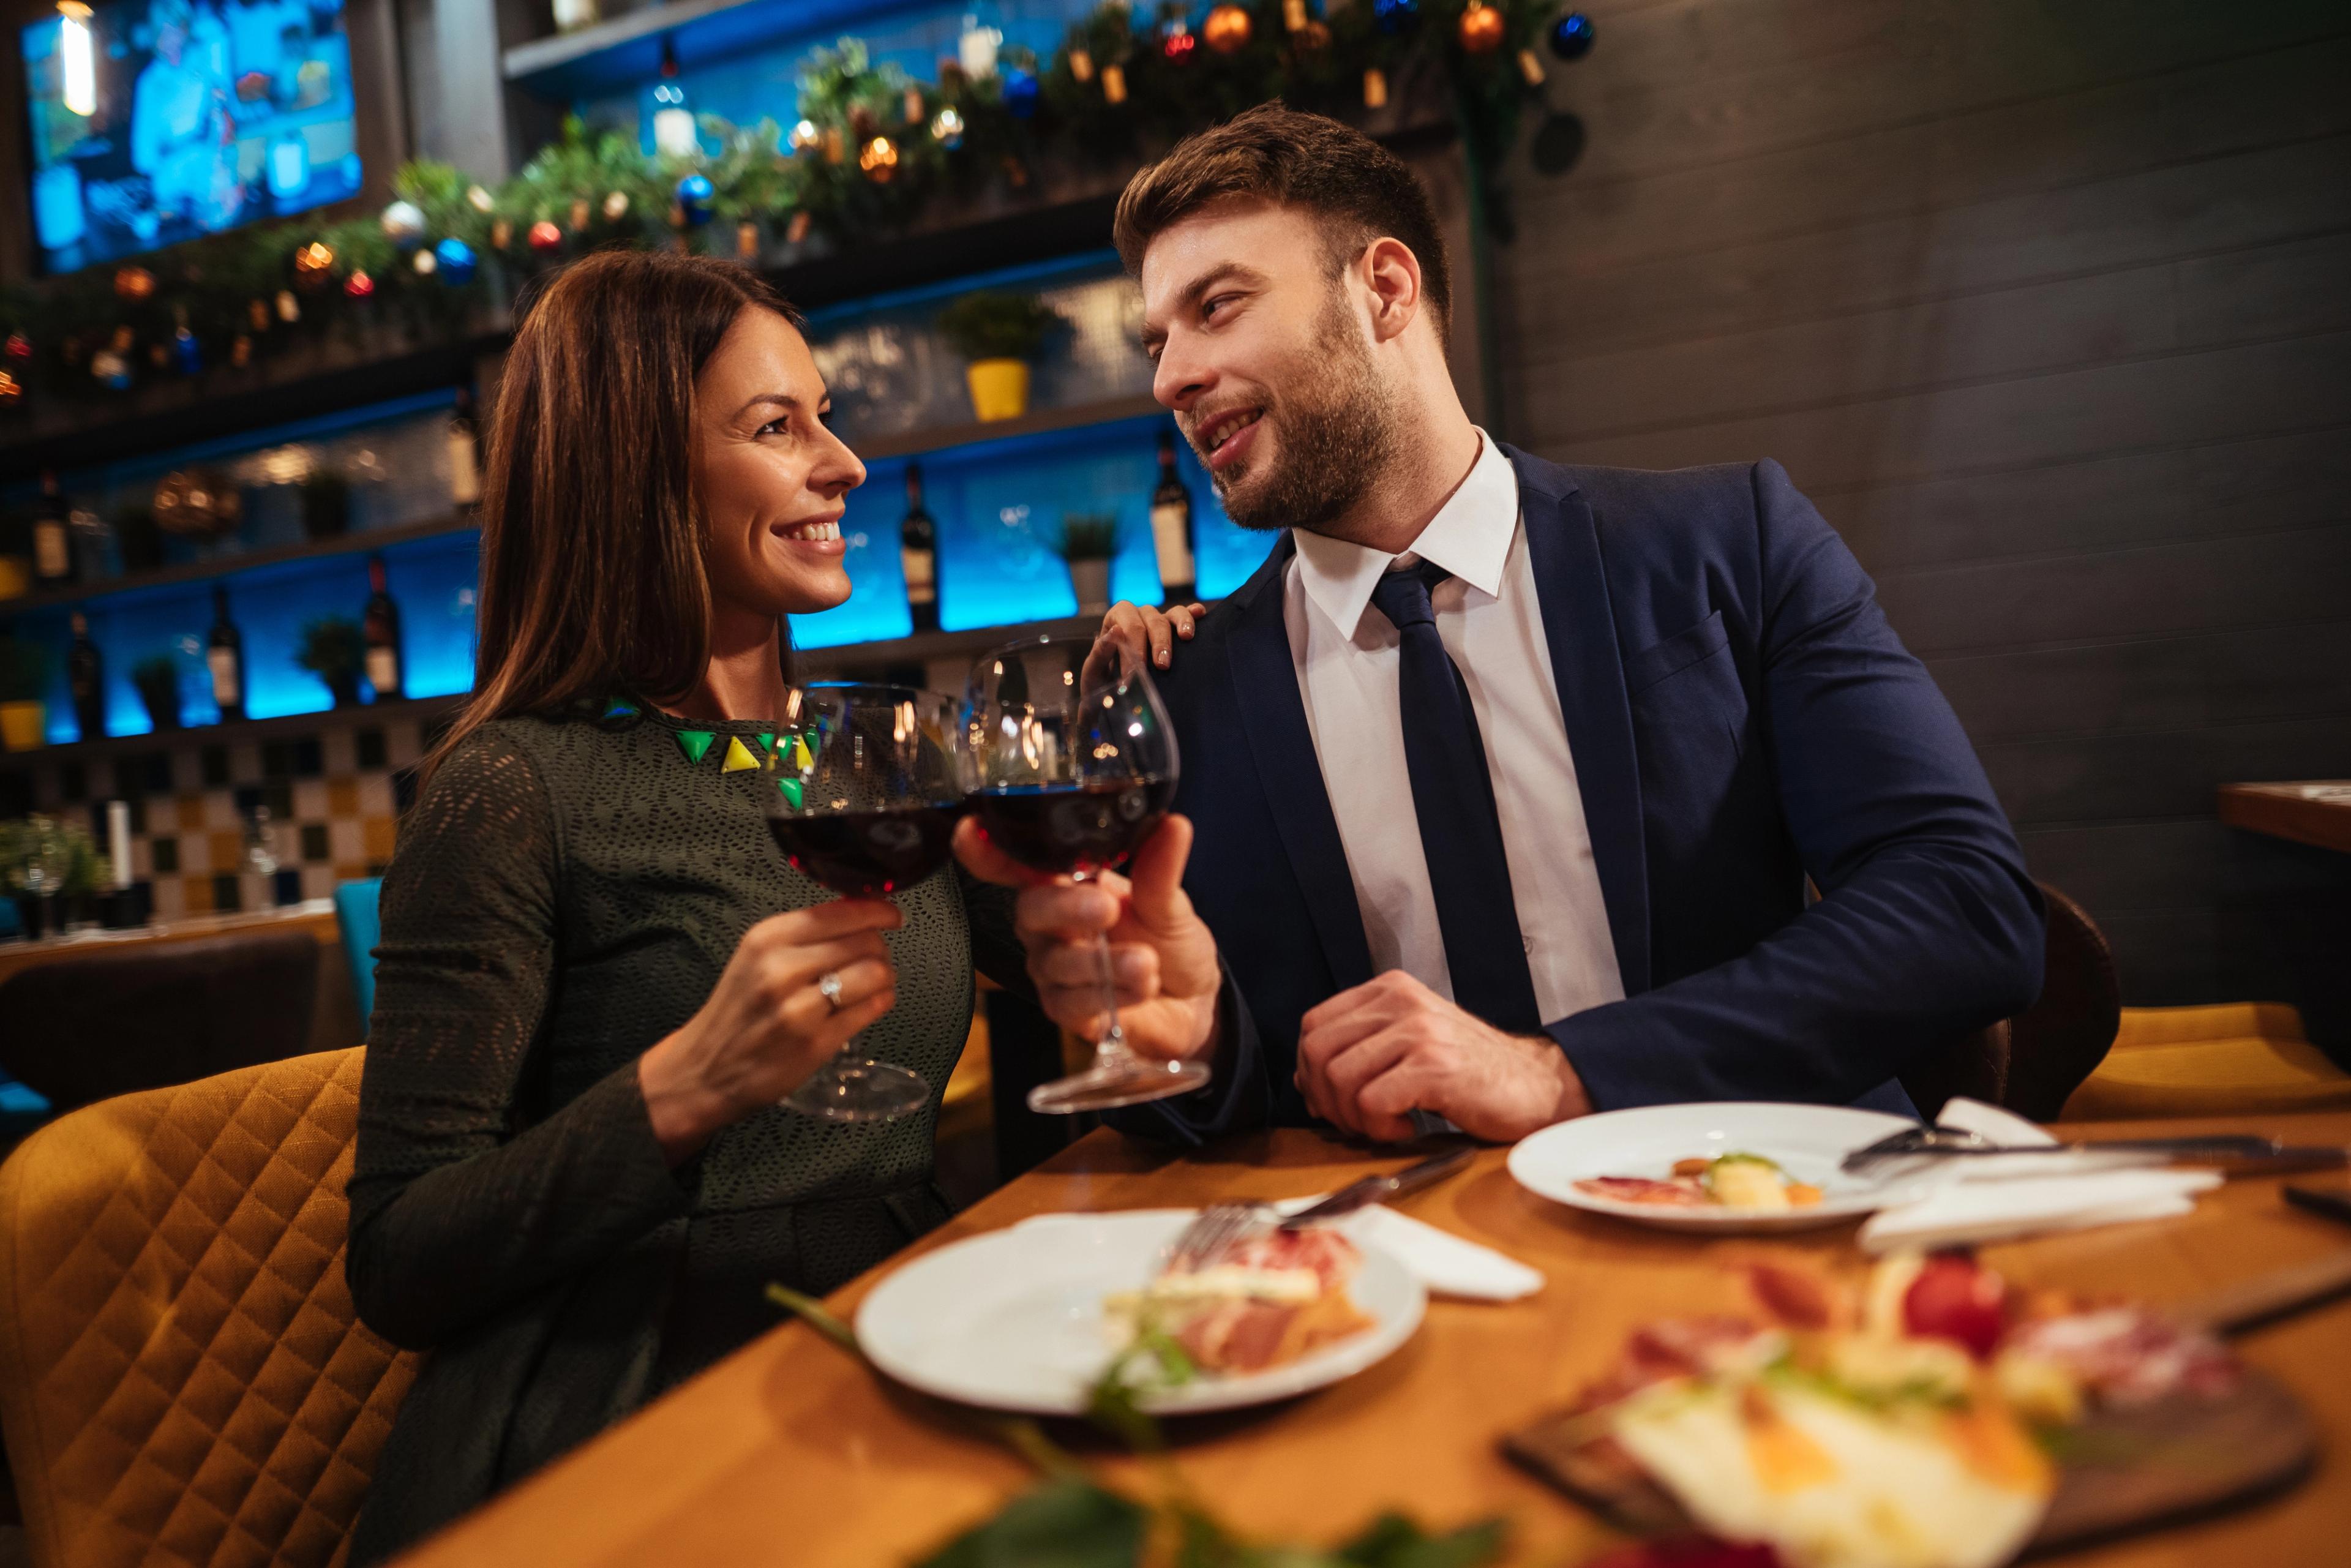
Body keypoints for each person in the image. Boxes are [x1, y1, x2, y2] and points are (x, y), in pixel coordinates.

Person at [959, 104, 2044, 1146]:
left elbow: (1964, 904)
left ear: (1384, 288)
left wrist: (1561, 1075)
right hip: (1399, 1277)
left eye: (1218, 305)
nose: (1172, 376)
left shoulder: (1731, 543)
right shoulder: (1178, 686)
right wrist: (1192, 1041)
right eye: (1157, 338)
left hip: (1760, 1217)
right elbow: (1243, 1083)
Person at [343, 252, 1031, 1563]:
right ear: (635, 473)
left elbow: (1064, 992)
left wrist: (1083, 928)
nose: (845, 464)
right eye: (779, 429)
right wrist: (679, 1092)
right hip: (634, 1392)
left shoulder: (864, 759)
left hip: (896, 1318)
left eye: (825, 416)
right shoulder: (514, 786)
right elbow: (400, 1261)